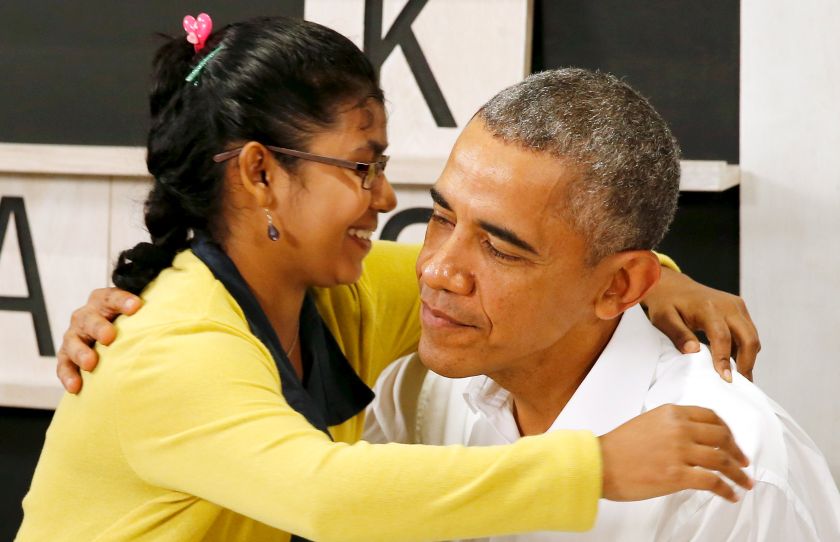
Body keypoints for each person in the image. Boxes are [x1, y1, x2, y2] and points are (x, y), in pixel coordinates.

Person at [30, 14, 755, 542]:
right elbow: (325, 496)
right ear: (259, 172)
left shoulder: (340, 292)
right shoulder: (172, 346)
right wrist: (593, 468)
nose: (383, 197)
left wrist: (655, 275)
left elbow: (518, 275)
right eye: (361, 166)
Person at [363, 69, 840, 541]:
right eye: (441, 218)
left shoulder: (738, 473)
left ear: (620, 285)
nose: (436, 270)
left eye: (500, 249)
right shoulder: (419, 393)